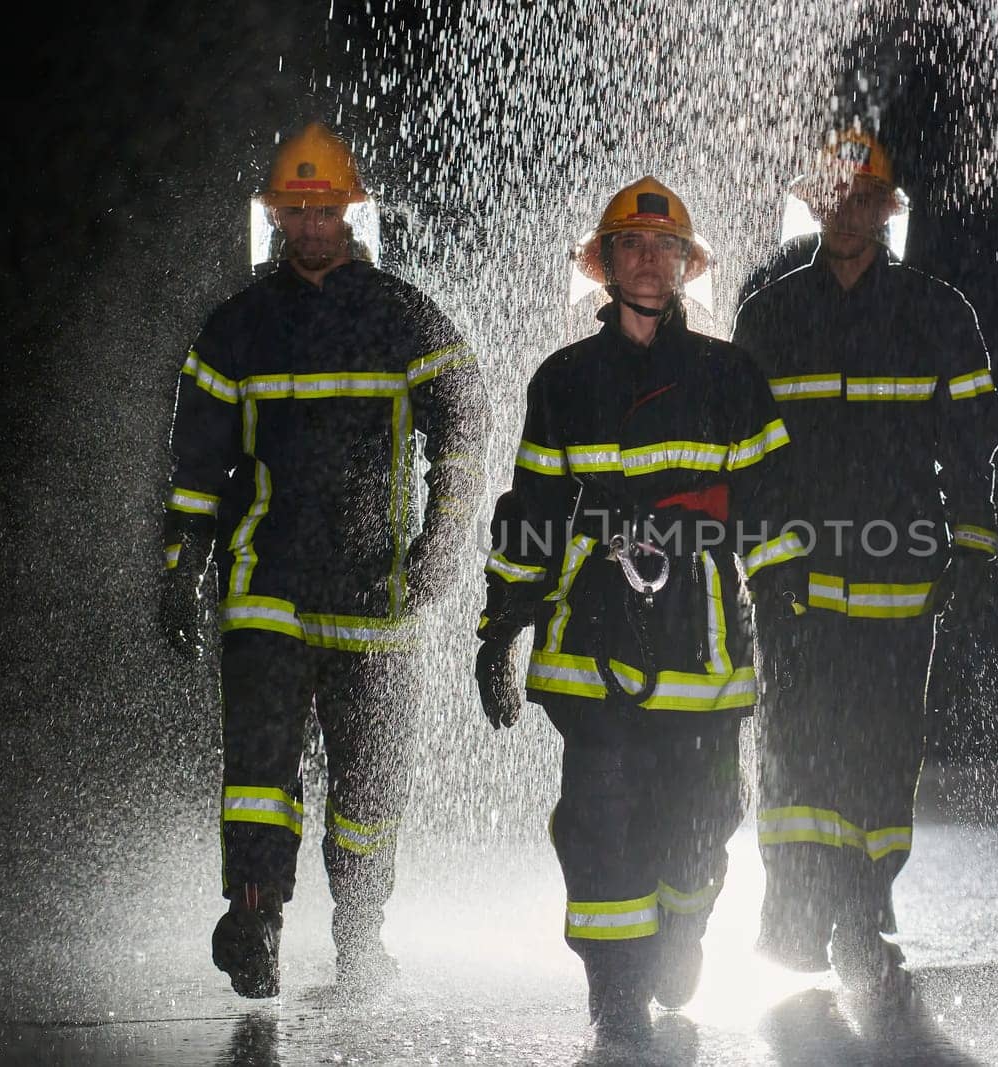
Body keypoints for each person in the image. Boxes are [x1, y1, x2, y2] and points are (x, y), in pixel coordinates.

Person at [156, 120, 491, 998]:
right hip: (267, 583)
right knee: (259, 770)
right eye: (295, 210)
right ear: (274, 215)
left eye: (324, 209)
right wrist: (181, 562)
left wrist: (445, 535)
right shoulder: (238, 327)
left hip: (378, 588)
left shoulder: (399, 314)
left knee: (370, 786)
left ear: (351, 212)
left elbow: (466, 417)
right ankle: (256, 919)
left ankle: (359, 932)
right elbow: (197, 459)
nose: (310, 225)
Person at [472, 176, 806, 1040]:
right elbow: (534, 510)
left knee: (700, 822)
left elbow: (768, 503)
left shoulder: (731, 375)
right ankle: (616, 986)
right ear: (607, 263)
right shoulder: (563, 380)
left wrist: (786, 608)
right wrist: (502, 623)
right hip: (593, 634)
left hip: (700, 633)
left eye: (666, 249)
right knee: (600, 816)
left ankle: (684, 926)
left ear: (688, 267)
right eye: (632, 246)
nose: (650, 260)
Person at [731, 127, 998, 1000]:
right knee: (794, 743)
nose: (845, 211)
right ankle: (793, 913)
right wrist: (767, 557)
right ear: (813, 202)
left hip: (900, 570)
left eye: (863, 198)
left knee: (886, 746)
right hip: (797, 574)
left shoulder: (937, 313)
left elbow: (973, 437)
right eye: (832, 196)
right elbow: (744, 451)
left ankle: (863, 908)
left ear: (889, 208)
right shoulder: (770, 314)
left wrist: (969, 536)